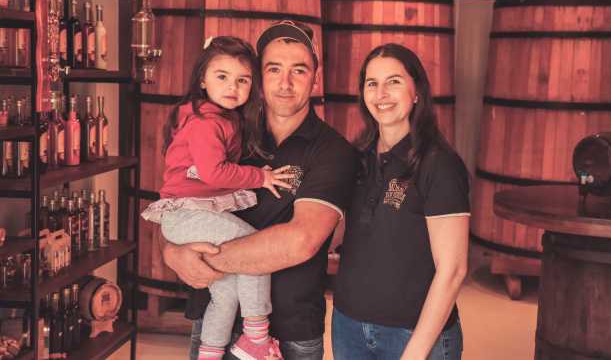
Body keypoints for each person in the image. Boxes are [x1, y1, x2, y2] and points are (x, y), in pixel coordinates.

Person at [161, 21, 358, 360]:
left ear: (315, 78)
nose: (285, 83)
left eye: (299, 70)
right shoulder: (230, 133)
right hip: (213, 319)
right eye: (273, 69)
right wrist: (171, 253)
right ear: (259, 78)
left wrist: (198, 259)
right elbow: (184, 203)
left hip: (287, 332)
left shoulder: (333, 151)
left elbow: (300, 241)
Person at [143, 36, 295, 360]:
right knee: (256, 250)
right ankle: (256, 336)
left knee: (225, 293)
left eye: (243, 80)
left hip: (188, 215)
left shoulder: (223, 118)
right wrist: (261, 177)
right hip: (187, 215)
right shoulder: (206, 122)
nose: (232, 87)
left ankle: (209, 353)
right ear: (202, 79)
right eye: (222, 76)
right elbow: (214, 173)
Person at [332, 43, 470, 360]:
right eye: (372, 83)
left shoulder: (439, 164)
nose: (381, 94)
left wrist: (415, 353)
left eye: (393, 81)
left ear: (416, 91)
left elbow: (453, 270)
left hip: (413, 335)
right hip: (348, 326)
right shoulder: (356, 157)